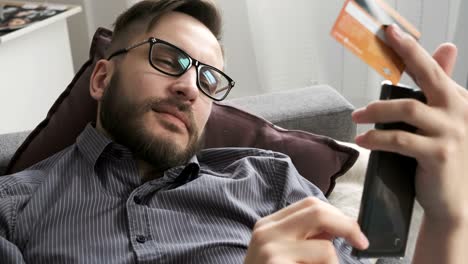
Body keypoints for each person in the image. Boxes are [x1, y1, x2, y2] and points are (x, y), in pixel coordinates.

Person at [0, 0, 466, 263]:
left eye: (207, 79)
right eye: (169, 59)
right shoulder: (13, 209)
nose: (188, 88)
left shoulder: (274, 182)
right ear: (101, 79)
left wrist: (449, 221)